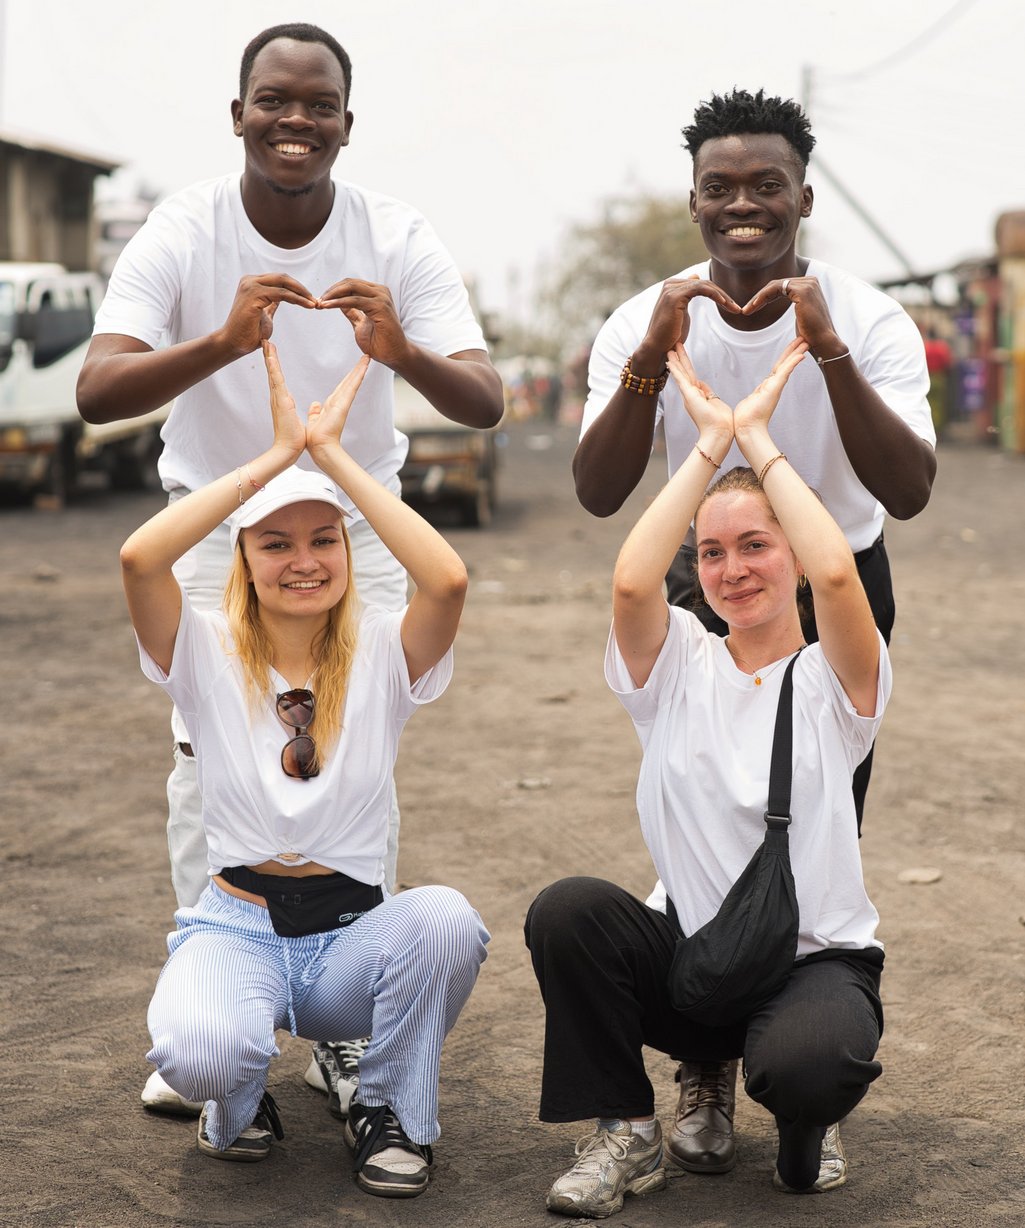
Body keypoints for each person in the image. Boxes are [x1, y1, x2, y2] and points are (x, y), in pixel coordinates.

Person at [77, 21, 503, 1116]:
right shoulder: (186, 228)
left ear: (347, 125)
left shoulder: (394, 233)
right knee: (205, 759)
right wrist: (220, 343)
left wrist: (401, 352)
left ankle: (345, 1027)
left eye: (318, 105)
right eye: (274, 99)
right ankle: (219, 993)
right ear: (239, 115)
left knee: (355, 757)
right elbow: (97, 389)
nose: (295, 120)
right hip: (220, 524)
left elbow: (483, 398)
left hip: (350, 523)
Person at [570, 87, 934, 1174]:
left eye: (765, 184)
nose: (742, 204)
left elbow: (908, 490)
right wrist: (649, 357)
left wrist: (825, 350)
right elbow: (597, 491)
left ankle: (804, 1066)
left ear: (802, 198)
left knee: (820, 823)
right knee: (700, 814)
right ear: (692, 203)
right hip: (708, 576)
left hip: (834, 583)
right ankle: (705, 1063)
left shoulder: (865, 316)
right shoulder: (646, 319)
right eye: (719, 187)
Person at [526, 338, 890, 1218]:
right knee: (569, 912)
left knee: (809, 1065)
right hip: (695, 962)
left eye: (756, 545)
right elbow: (631, 583)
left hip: (809, 967)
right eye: (714, 552)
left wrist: (755, 438)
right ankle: (629, 1130)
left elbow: (839, 570)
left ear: (791, 555)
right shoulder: (678, 664)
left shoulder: (836, 680)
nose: (733, 570)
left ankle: (806, 1124)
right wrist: (704, 447)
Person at [120, 339, 489, 1198]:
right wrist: (277, 457)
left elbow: (446, 579)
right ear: (244, 561)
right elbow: (140, 559)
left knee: (445, 922)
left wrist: (334, 462)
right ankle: (238, 1095)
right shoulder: (202, 651)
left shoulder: (383, 654)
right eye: (276, 544)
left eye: (324, 541)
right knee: (199, 1053)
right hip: (237, 925)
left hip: (347, 937)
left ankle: (387, 1109)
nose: (304, 561)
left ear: (348, 554)